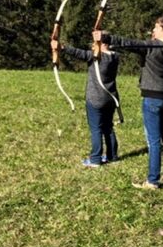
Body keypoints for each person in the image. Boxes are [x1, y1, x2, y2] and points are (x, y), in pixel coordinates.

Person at [94, 16, 163, 189]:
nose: (153, 31)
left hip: (152, 98)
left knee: (154, 141)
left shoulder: (152, 46)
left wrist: (105, 38)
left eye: (156, 27)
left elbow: (128, 43)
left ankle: (152, 180)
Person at [51, 39, 120, 167]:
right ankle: (112, 156)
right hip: (111, 98)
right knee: (108, 127)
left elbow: (77, 53)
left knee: (96, 129)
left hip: (95, 99)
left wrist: (61, 47)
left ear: (101, 43)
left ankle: (95, 159)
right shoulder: (115, 56)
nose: (92, 45)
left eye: (95, 42)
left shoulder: (95, 57)